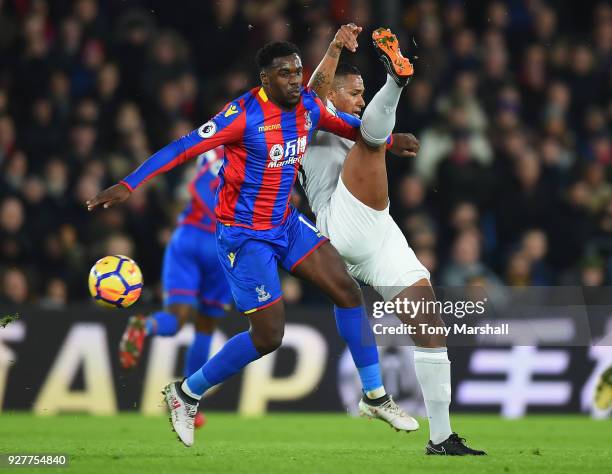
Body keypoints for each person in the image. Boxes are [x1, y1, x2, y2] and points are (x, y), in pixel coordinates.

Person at [86, 28, 416, 448]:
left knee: (348, 291)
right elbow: (182, 148)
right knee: (268, 336)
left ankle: (375, 397)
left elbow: (348, 127)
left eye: (298, 72)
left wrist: (388, 141)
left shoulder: (309, 107)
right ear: (266, 80)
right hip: (244, 237)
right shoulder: (241, 115)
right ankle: (185, 393)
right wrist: (129, 185)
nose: (296, 80)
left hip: (285, 224)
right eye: (286, 74)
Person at [302, 26, 485, 455]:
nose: (360, 100)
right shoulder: (307, 119)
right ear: (331, 94)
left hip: (379, 231)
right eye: (354, 93)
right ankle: (396, 82)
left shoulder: (360, 126)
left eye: (365, 93)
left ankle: (440, 437)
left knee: (429, 324)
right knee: (368, 141)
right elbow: (316, 93)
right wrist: (333, 54)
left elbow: (369, 132)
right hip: (338, 223)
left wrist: (387, 140)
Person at [118, 146, 231, 430]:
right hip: (221, 245)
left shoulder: (212, 152)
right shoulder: (260, 149)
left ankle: (144, 326)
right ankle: (188, 402)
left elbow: (186, 192)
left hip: (186, 236)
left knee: (176, 318)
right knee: (205, 324)